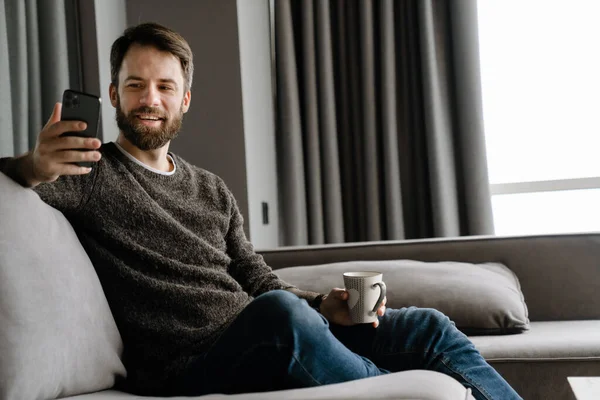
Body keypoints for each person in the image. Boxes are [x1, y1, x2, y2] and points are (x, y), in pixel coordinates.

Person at [0, 22, 522, 400]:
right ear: (114, 94)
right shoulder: (87, 172)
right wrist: (34, 163)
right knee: (280, 316)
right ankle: (384, 384)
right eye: (135, 85)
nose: (149, 99)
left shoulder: (212, 189)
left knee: (426, 326)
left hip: (273, 332)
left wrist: (323, 306)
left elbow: (255, 276)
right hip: (191, 365)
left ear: (185, 100)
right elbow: (18, 182)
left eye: (165, 87)